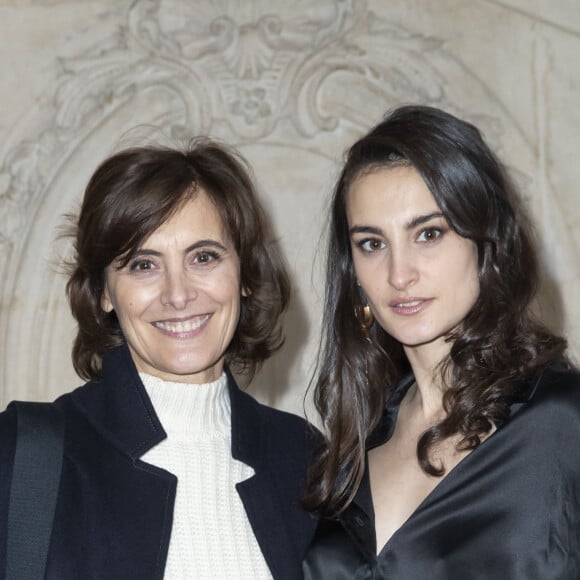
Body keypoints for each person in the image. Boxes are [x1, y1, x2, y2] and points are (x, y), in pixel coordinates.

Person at [0, 140, 317, 579]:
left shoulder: (304, 459)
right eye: (143, 265)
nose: (178, 294)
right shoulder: (22, 455)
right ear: (104, 293)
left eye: (203, 257)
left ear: (244, 274)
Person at [302, 105, 580, 578]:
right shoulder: (353, 447)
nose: (399, 273)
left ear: (486, 243)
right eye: (372, 243)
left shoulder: (562, 423)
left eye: (428, 234)